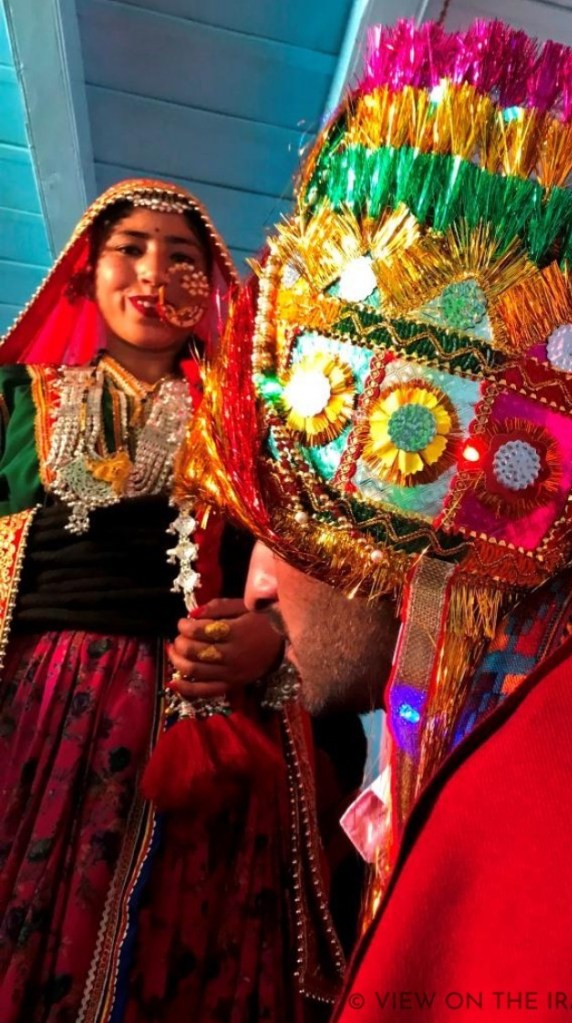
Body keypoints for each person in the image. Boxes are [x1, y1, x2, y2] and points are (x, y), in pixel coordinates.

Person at [180, 18, 572, 1021]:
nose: (256, 585)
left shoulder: (558, 804)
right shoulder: (526, 707)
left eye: (278, 534)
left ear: (417, 528)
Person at [0, 179, 345, 1023]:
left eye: (183, 257)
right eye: (131, 249)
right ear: (85, 274)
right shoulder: (16, 399)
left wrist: (272, 636)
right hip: (36, 712)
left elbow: (322, 566)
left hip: (198, 722)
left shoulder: (265, 425)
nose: (154, 273)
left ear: (213, 287)